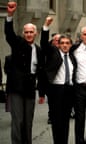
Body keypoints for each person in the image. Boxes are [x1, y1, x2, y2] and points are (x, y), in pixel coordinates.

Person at [4, 2, 45, 144]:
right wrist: (10, 15)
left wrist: (41, 93)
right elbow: (9, 34)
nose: (28, 34)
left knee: (28, 122)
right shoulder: (18, 44)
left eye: (31, 32)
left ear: (36, 33)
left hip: (30, 89)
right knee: (18, 121)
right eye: (26, 32)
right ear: (23, 34)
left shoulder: (39, 50)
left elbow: (40, 72)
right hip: (16, 89)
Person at [40, 16, 76, 144]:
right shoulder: (53, 53)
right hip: (56, 90)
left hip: (69, 91)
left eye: (67, 43)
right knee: (56, 121)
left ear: (71, 45)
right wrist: (46, 26)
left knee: (66, 121)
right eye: (62, 43)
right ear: (58, 45)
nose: (65, 45)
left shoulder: (72, 57)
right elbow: (44, 44)